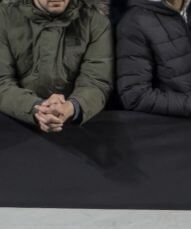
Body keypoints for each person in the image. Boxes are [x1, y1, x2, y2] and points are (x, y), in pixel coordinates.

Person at [0, 0, 112, 132]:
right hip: (15, 124)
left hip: (75, 126)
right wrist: (37, 108)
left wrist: (70, 108)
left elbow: (96, 82)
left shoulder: (94, 20)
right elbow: (2, 82)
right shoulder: (4, 16)